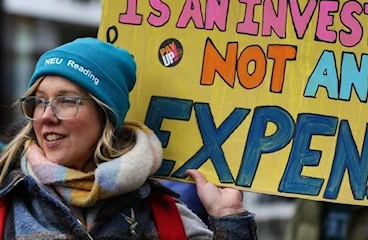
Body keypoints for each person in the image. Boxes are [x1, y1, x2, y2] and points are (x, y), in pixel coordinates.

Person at [0, 37, 257, 239]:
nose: (46, 116)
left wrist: (228, 218)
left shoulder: (161, 213)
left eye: (67, 100)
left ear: (106, 116)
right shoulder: (8, 203)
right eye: (39, 101)